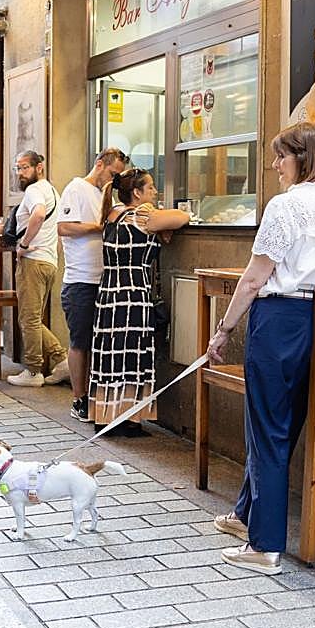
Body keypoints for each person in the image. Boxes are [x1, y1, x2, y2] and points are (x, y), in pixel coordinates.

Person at [207, 122, 315, 576]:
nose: (275, 165)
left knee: (267, 428)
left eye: (281, 156)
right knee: (283, 424)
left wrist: (224, 328)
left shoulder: (285, 206)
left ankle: (265, 546)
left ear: (302, 157)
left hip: (278, 320)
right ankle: (244, 516)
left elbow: (255, 277)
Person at [88, 168, 189, 434]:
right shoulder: (140, 215)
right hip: (132, 294)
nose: (155, 193)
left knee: (111, 355)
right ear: (137, 192)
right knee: (132, 355)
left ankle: (106, 416)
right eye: (151, 188)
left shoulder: (113, 214)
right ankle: (130, 420)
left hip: (109, 292)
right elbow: (181, 217)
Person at [58, 148, 130, 419]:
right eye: (113, 174)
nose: (114, 180)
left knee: (101, 342)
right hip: (80, 279)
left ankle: (97, 396)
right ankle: (79, 398)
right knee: (80, 341)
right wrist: (98, 227)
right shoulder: (76, 188)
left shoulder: (107, 195)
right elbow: (64, 227)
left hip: (106, 278)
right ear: (100, 164)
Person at [6, 151, 66, 388]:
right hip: (49, 261)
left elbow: (39, 214)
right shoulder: (52, 190)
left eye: (24, 168)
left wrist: (24, 244)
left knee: (28, 319)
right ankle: (61, 360)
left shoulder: (34, 191)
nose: (20, 173)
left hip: (33, 260)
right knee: (33, 319)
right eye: (18, 168)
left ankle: (33, 371)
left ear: (39, 167)